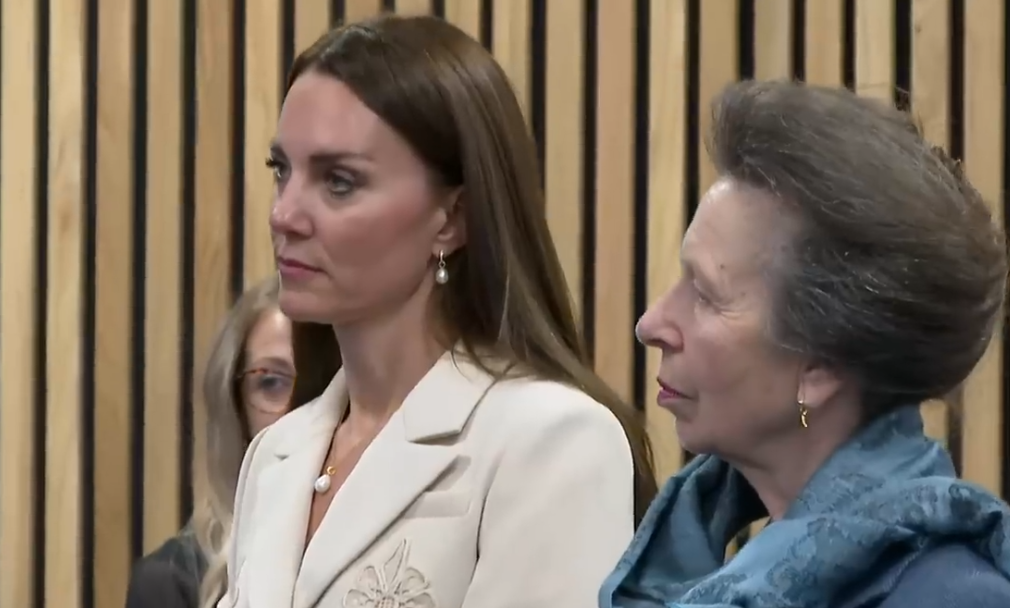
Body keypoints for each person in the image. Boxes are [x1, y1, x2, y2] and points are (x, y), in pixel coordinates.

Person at [218, 13, 657, 608]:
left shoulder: (551, 439)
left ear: (451, 218)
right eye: (282, 172)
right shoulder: (276, 453)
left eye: (339, 181)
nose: (283, 215)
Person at [599, 79, 1010, 608]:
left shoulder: (949, 598)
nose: (650, 324)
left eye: (704, 295)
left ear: (822, 365)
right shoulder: (713, 565)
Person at [125, 277, 338, 608]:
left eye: (320, 384)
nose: (295, 406)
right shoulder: (171, 581)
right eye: (271, 382)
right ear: (235, 403)